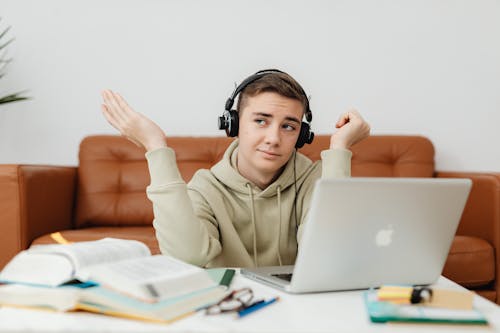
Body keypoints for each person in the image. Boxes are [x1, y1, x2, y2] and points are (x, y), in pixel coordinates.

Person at [101, 69, 370, 268]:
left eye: (288, 126)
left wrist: (340, 149)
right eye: (261, 121)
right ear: (234, 124)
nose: (274, 138)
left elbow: (329, 253)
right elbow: (187, 257)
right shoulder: (206, 188)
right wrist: (154, 146)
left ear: (302, 135)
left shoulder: (315, 179)